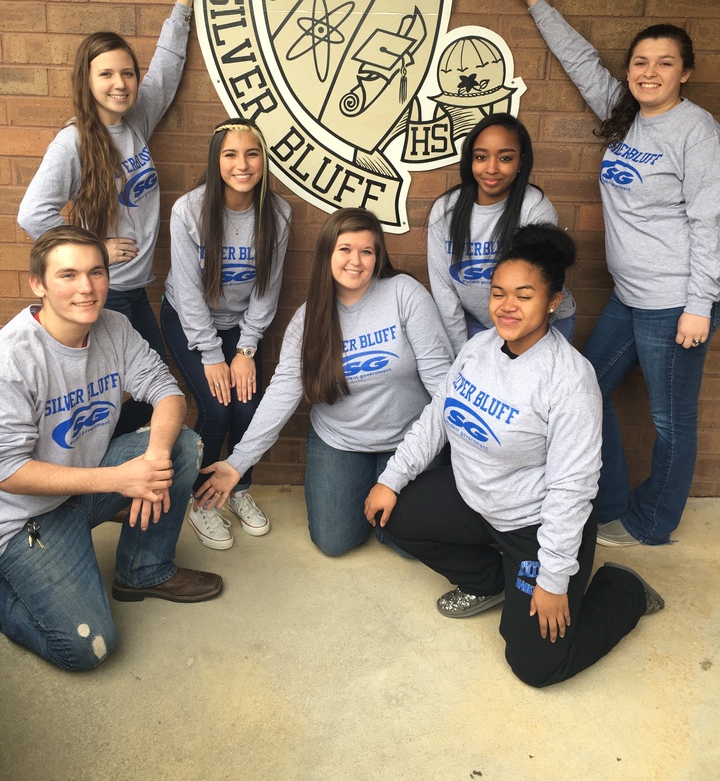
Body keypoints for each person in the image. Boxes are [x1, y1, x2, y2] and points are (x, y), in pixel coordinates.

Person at [365, 224, 663, 689]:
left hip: (533, 525)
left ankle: (624, 590)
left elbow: (573, 487)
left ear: (553, 301)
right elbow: (437, 416)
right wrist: (392, 478)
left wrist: (553, 578)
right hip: (474, 500)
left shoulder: (569, 379)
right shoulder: (478, 347)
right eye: (498, 292)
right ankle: (492, 582)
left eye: (524, 295)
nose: (507, 306)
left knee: (537, 666)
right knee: (394, 515)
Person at [510, 0, 720, 547]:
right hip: (631, 299)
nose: (650, 72)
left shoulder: (696, 131)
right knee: (587, 390)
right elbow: (581, 61)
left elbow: (710, 221)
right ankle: (609, 502)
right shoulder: (626, 114)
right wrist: (533, 1)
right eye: (641, 62)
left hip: (676, 301)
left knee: (670, 422)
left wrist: (699, 305)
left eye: (665, 63)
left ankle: (652, 524)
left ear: (687, 72)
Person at [0, 226, 222, 673]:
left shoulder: (114, 326)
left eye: (96, 272)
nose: (86, 287)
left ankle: (144, 570)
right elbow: (7, 470)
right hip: (25, 516)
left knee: (180, 444)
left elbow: (167, 391)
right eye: (68, 275)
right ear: (38, 284)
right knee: (90, 648)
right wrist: (120, 480)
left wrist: (155, 460)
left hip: (82, 488)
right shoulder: (13, 357)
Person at [194, 208, 454, 557]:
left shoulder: (404, 294)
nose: (356, 261)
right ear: (328, 254)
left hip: (407, 438)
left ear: (378, 257)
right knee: (334, 542)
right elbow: (283, 393)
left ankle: (386, 497)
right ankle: (367, 492)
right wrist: (237, 463)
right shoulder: (309, 318)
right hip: (341, 440)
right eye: (345, 249)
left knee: (408, 544)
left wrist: (404, 474)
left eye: (367, 251)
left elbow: (444, 388)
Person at [17, 0, 196, 437]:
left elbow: (164, 68)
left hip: (134, 290)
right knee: (137, 396)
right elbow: (33, 214)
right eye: (106, 74)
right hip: (104, 294)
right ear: (87, 80)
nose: (120, 83)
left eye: (125, 73)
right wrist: (95, 248)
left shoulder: (135, 120)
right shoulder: (73, 141)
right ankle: (108, 479)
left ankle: (123, 474)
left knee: (145, 391)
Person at [161, 118, 292, 550]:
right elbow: (187, 291)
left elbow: (267, 290)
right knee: (217, 410)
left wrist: (247, 346)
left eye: (252, 153)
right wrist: (213, 354)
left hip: (240, 327)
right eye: (230, 154)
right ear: (216, 159)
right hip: (189, 322)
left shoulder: (277, 213)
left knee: (247, 407)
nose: (242, 164)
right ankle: (199, 502)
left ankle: (235, 488)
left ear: (263, 159)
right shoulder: (189, 210)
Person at [428, 112, 576, 356]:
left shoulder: (534, 208)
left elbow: (534, 290)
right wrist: (460, 354)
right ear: (470, 160)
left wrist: (513, 357)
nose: (491, 168)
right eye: (481, 157)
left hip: (538, 322)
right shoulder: (446, 210)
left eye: (505, 158)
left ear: (521, 161)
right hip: (476, 322)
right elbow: (444, 292)